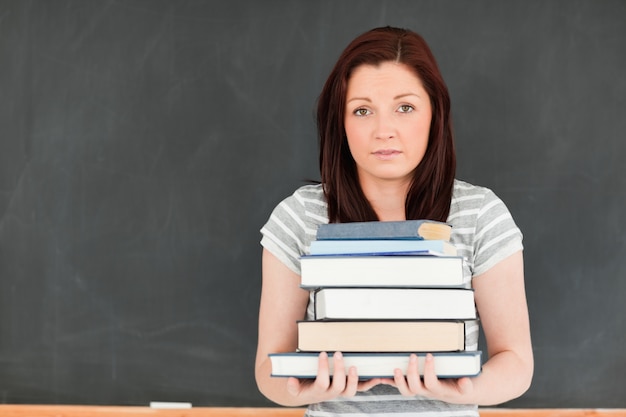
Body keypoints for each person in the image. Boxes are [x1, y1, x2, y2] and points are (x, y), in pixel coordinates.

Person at [255, 26, 533, 416]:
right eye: (362, 110)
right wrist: (303, 390)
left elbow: (517, 363)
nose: (384, 130)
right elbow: (269, 371)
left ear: (434, 113)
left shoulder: (481, 214)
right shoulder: (300, 216)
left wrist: (462, 390)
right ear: (341, 122)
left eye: (405, 107)